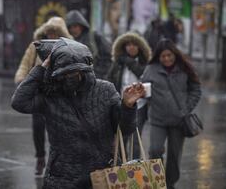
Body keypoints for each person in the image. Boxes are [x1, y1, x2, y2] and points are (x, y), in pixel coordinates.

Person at [11, 37, 146, 188]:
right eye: (65, 72)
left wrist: (127, 106)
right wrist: (41, 69)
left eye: (75, 71)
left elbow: (125, 129)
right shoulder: (50, 95)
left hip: (101, 174)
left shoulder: (105, 90)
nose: (70, 76)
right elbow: (19, 102)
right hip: (62, 177)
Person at [14, 16, 72, 176]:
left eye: (55, 32)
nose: (52, 35)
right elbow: (25, 64)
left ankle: (59, 160)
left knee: (60, 128)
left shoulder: (67, 48)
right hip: (39, 92)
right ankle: (40, 157)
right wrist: (21, 80)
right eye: (49, 32)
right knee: (38, 126)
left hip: (59, 94)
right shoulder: (36, 46)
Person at [140, 39, 201, 189]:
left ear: (175, 54)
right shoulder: (151, 69)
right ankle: (157, 182)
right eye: (163, 56)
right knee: (154, 150)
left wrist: (186, 108)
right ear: (158, 57)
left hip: (178, 121)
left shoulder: (185, 68)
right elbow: (144, 90)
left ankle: (170, 183)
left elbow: (196, 90)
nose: (167, 59)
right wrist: (142, 93)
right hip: (157, 120)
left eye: (169, 55)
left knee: (174, 155)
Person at [108, 32, 151, 159]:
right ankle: (124, 170)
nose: (131, 47)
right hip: (121, 105)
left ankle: (136, 169)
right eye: (128, 45)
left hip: (140, 106)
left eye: (134, 45)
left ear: (140, 47)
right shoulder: (118, 63)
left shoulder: (145, 64)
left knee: (136, 140)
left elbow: (145, 76)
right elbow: (110, 80)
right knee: (121, 140)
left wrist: (130, 62)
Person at [65, 10, 112, 80]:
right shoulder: (66, 42)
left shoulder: (94, 37)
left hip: (95, 79)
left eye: (75, 26)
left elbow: (108, 56)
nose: (73, 30)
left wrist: (98, 74)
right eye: (70, 27)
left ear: (81, 26)